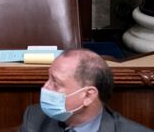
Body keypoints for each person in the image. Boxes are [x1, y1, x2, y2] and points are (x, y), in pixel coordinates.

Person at [19, 48, 152, 131]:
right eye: (48, 79)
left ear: (88, 96)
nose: (45, 87)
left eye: (56, 83)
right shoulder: (35, 120)